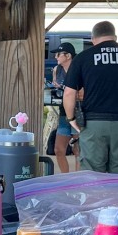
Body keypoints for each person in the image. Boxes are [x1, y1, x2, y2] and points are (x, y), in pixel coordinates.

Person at [62, 20, 118, 174]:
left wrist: (72, 119)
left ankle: (96, 199)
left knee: (92, 176)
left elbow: (69, 93)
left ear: (93, 38)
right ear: (115, 37)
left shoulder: (83, 58)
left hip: (93, 124)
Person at [50, 42, 80, 173]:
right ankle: (65, 177)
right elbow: (57, 86)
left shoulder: (79, 69)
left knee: (78, 149)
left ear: (68, 56)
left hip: (78, 112)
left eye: (58, 54)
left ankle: (79, 180)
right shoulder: (57, 69)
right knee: (58, 149)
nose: (56, 57)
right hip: (64, 111)